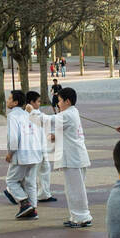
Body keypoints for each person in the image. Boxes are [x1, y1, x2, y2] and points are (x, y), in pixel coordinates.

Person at [32, 87, 93, 227]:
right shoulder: (71, 112)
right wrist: (56, 136)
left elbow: (47, 120)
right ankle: (77, 216)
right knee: (73, 189)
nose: (58, 104)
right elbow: (65, 129)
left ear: (67, 101)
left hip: (73, 158)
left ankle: (82, 217)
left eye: (59, 101)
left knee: (75, 189)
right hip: (75, 157)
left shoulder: (67, 114)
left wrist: (33, 112)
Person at [4, 90, 42, 219]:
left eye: (9, 99)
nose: (7, 101)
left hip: (22, 154)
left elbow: (14, 138)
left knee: (11, 181)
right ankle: (33, 210)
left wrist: (10, 153)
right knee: (30, 182)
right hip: (34, 152)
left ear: (15, 102)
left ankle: (25, 203)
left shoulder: (12, 116)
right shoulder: (28, 114)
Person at [25, 91, 57, 204]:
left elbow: (44, 123)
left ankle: (44, 194)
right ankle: (12, 190)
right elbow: (43, 120)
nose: (39, 103)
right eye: (38, 101)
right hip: (34, 147)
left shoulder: (36, 112)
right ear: (31, 102)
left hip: (42, 146)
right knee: (31, 172)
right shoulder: (27, 113)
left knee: (45, 169)